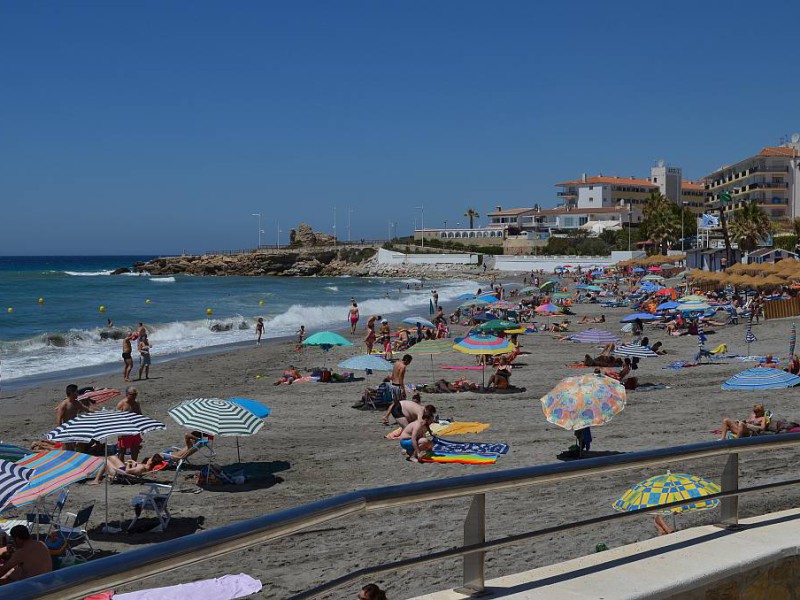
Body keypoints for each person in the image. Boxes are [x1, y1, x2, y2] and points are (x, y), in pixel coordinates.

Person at [89, 454, 165, 484]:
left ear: (151, 462)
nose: (148, 459)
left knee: (105, 460)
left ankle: (96, 480)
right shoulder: (146, 467)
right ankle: (100, 478)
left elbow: (127, 471)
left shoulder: (141, 468)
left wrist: (129, 463)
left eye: (150, 459)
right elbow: (135, 468)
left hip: (120, 474)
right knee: (112, 457)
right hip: (123, 469)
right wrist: (134, 462)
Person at [117, 386, 143, 461]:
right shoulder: (122, 404)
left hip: (135, 429)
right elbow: (117, 418)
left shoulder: (136, 403)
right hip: (125, 429)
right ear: (127, 394)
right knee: (122, 450)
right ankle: (121, 466)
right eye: (133, 394)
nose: (135, 396)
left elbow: (140, 414)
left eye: (136, 394)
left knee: (135, 448)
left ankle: (134, 463)